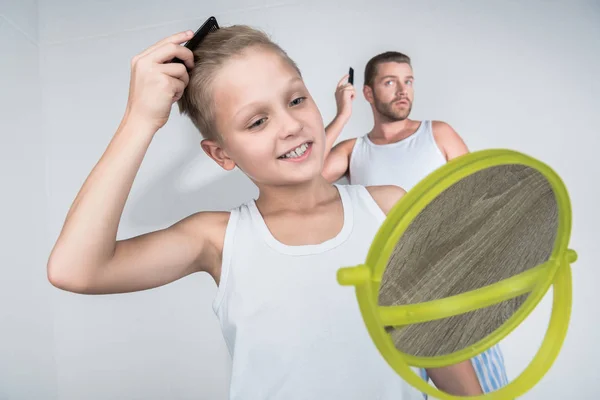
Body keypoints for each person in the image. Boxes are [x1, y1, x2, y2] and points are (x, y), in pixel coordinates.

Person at [46, 26, 483, 399]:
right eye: (257, 122)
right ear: (221, 154)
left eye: (296, 100)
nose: (290, 125)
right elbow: (75, 269)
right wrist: (140, 119)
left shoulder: (390, 206)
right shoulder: (217, 238)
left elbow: (441, 345)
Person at [322, 51, 510, 394]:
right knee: (410, 387)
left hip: (450, 280)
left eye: (408, 81)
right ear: (367, 92)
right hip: (390, 292)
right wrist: (341, 115)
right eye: (390, 81)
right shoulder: (354, 150)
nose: (402, 90)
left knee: (484, 385)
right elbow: (305, 176)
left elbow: (479, 198)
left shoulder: (437, 133)